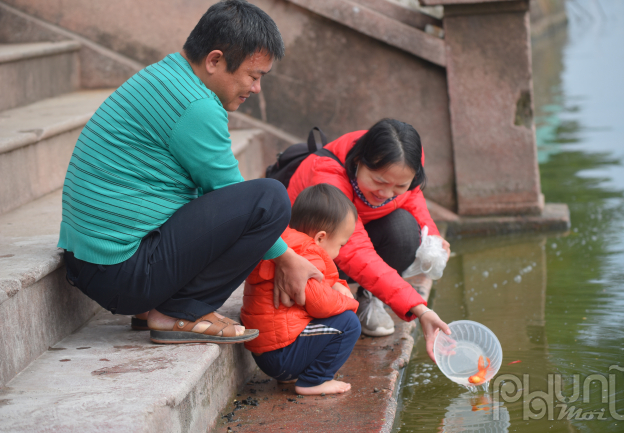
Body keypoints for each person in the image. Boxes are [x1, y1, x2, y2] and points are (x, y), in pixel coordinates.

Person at [58, 0, 322, 344]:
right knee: (269, 200)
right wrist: (288, 259)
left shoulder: (167, 75)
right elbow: (231, 195)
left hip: (91, 264)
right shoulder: (196, 106)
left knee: (245, 200)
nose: (256, 88)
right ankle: (178, 312)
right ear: (214, 60)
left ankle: (163, 304)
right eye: (253, 76)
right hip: (119, 272)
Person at [287, 119, 451, 361]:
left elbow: (413, 195)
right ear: (357, 162)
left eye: (399, 185)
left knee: (406, 230)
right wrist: (420, 308)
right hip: (317, 258)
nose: (386, 194)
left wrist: (432, 234)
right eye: (378, 182)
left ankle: (369, 295)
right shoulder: (328, 177)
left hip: (352, 242)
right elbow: (354, 251)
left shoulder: (406, 161)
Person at [240, 184, 361, 395]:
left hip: (270, 351)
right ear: (321, 238)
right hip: (280, 354)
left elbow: (325, 282)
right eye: (341, 244)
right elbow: (321, 304)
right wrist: (350, 301)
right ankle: (314, 380)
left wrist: (337, 286)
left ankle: (300, 373)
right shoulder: (307, 255)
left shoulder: (288, 243)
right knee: (348, 324)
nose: (340, 252)